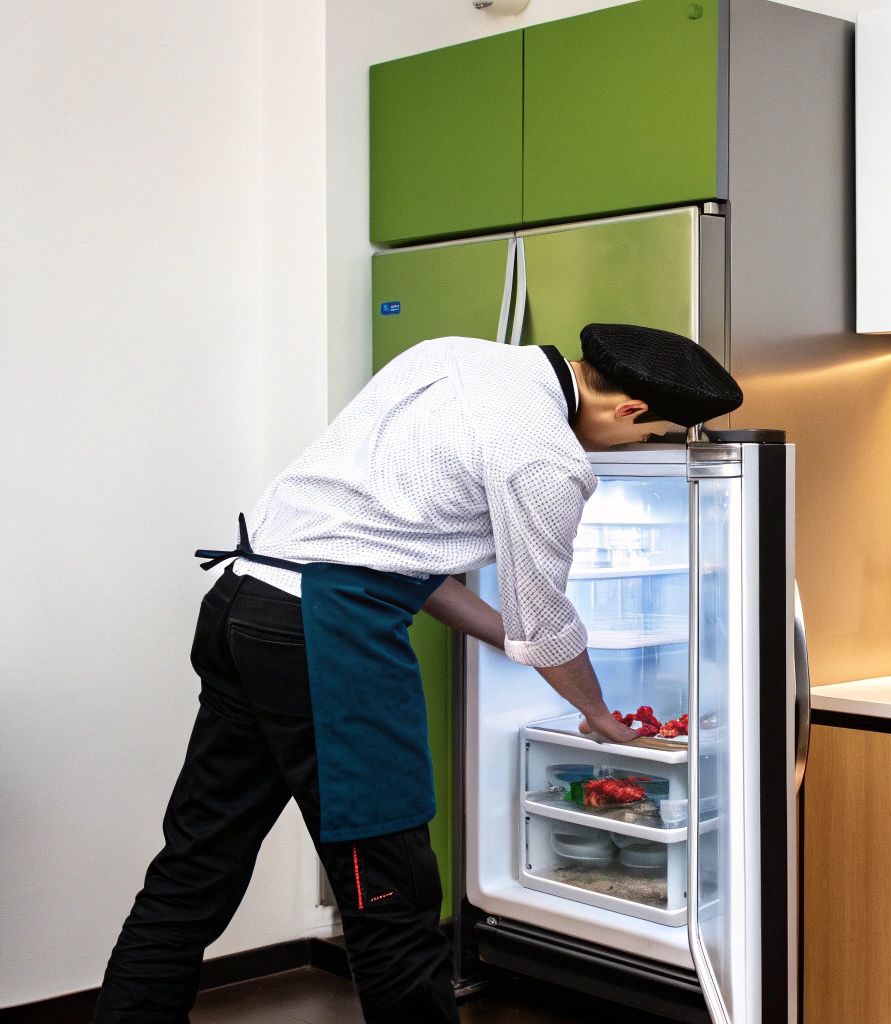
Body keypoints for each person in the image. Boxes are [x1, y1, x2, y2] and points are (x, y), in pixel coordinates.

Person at [94, 323, 744, 1023]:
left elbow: (402, 549)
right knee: (390, 893)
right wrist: (602, 716)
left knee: (199, 859)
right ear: (630, 409)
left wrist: (509, 637)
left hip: (244, 604)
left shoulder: (458, 355)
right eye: (647, 435)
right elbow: (546, 622)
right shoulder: (544, 456)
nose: (630, 447)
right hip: (327, 634)